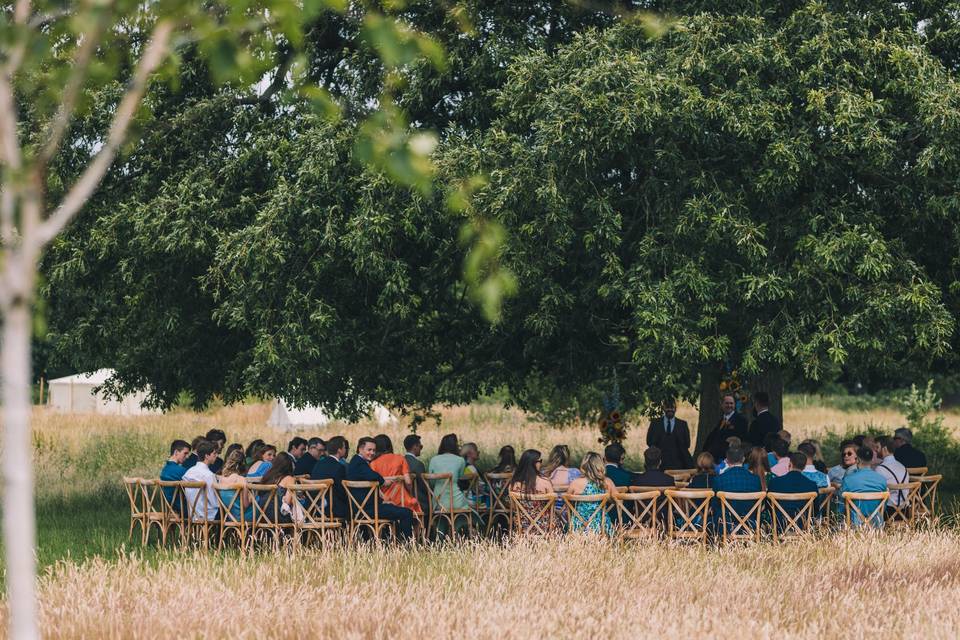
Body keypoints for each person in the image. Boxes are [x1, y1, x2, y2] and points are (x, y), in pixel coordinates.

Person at [346, 437, 414, 540]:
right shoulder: (359, 463)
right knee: (407, 513)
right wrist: (383, 481)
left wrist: (382, 501)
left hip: (362, 508)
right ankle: (406, 544)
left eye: (374, 450)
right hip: (368, 509)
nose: (372, 453)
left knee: (392, 508)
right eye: (369, 450)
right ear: (360, 449)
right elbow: (372, 475)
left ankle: (388, 541)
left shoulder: (356, 461)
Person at [369, 434, 421, 513]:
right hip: (402, 501)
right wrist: (410, 493)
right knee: (414, 504)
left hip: (384, 502)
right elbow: (408, 482)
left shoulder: (373, 463)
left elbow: (374, 486)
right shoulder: (400, 458)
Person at [839, 446, 889, 527]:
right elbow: (884, 506)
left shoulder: (848, 480)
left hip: (854, 525)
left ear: (857, 460)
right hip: (876, 525)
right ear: (872, 460)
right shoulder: (882, 480)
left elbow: (841, 506)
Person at [565, 452, 615, 533]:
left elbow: (568, 503)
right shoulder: (607, 482)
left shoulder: (576, 483)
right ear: (600, 465)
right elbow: (618, 501)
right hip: (601, 526)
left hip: (578, 526)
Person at [711, 446, 761, 523]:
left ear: (727, 461)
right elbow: (759, 505)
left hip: (725, 525)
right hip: (750, 525)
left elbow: (715, 505)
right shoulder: (756, 479)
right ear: (743, 459)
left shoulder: (719, 479)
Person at [767, 453, 819, 520]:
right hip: (802, 527)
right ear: (804, 467)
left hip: (780, 525)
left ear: (790, 464)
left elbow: (768, 506)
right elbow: (815, 510)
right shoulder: (812, 485)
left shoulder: (774, 482)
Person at [646, 399, 694, 470]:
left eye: (672, 407)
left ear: (675, 409)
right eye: (667, 407)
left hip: (679, 465)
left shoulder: (682, 424)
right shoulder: (655, 423)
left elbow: (687, 444)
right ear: (663, 408)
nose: (670, 410)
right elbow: (649, 442)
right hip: (659, 465)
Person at [428, 433, 470, 511]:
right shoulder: (460, 460)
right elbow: (459, 478)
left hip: (438, 502)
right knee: (469, 507)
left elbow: (431, 482)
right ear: (455, 446)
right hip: (456, 501)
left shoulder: (434, 460)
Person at [311, 435, 349, 519]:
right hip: (332, 510)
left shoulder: (318, 464)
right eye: (344, 447)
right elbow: (342, 491)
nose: (345, 450)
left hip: (315, 508)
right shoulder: (339, 467)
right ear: (339, 450)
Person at [703, 394, 749, 461]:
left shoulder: (741, 420)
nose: (729, 405)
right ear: (722, 405)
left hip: (730, 458)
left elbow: (742, 439)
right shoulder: (721, 420)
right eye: (727, 403)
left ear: (734, 405)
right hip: (716, 457)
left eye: (731, 403)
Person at [182, 440, 219, 522]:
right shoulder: (208, 475)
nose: (217, 456)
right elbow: (214, 502)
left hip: (192, 514)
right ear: (207, 456)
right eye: (214, 454)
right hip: (207, 515)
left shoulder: (189, 472)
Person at [260, 451, 299, 522]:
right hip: (278, 516)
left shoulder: (268, 476)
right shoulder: (290, 479)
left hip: (261, 514)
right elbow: (287, 501)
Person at [875, 436, 909, 516]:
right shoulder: (903, 467)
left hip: (888, 513)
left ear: (885, 449)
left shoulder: (880, 469)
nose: (875, 450)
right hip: (906, 512)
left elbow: (876, 493)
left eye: (877, 447)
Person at [217, 449, 254, 522]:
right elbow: (245, 505)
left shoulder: (221, 479)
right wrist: (251, 499)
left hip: (227, 516)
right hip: (241, 516)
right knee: (260, 501)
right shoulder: (241, 479)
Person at [403, 434, 429, 514]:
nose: (420, 449)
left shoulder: (401, 461)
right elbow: (424, 486)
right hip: (417, 502)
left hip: (402, 500)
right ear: (415, 447)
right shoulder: (418, 464)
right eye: (420, 447)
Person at [160, 439, 190, 507]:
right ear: (176, 452)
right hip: (183, 509)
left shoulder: (164, 470)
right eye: (185, 453)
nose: (187, 456)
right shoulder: (181, 471)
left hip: (168, 508)